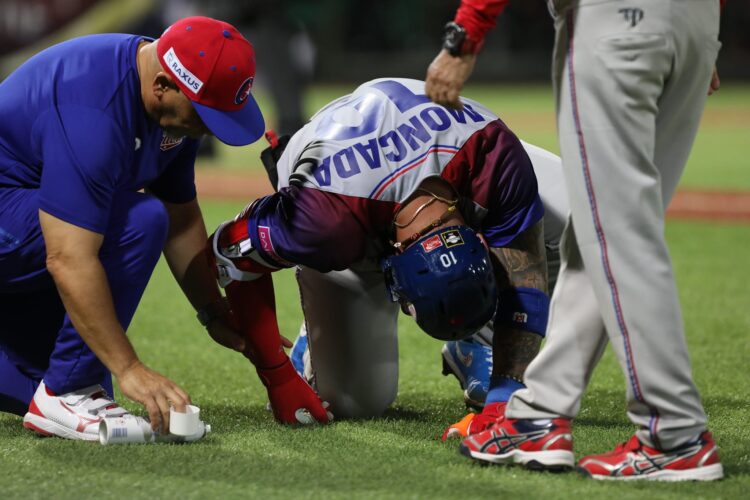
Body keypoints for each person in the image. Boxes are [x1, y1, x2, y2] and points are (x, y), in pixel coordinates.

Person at [425, 0, 724, 481]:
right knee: (598, 232)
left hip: (616, 20)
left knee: (619, 235)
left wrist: (465, 34)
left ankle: (676, 433)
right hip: (696, 23)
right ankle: (538, 414)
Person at [205, 77, 568, 428]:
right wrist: (277, 376)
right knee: (355, 401)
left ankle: (481, 345)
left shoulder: (494, 157)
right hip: (348, 203)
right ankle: (313, 338)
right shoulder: (321, 221)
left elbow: (525, 271)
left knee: (587, 220)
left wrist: (506, 396)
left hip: (454, 151)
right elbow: (229, 253)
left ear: (480, 237)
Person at [0, 16, 263, 440]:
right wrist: (128, 368)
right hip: (10, 216)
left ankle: (56, 384)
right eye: (204, 114)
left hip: (21, 222)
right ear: (163, 86)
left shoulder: (174, 90)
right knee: (136, 220)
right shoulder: (94, 113)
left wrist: (213, 311)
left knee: (33, 383)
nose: (207, 128)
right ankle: (69, 388)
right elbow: (68, 256)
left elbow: (181, 216)